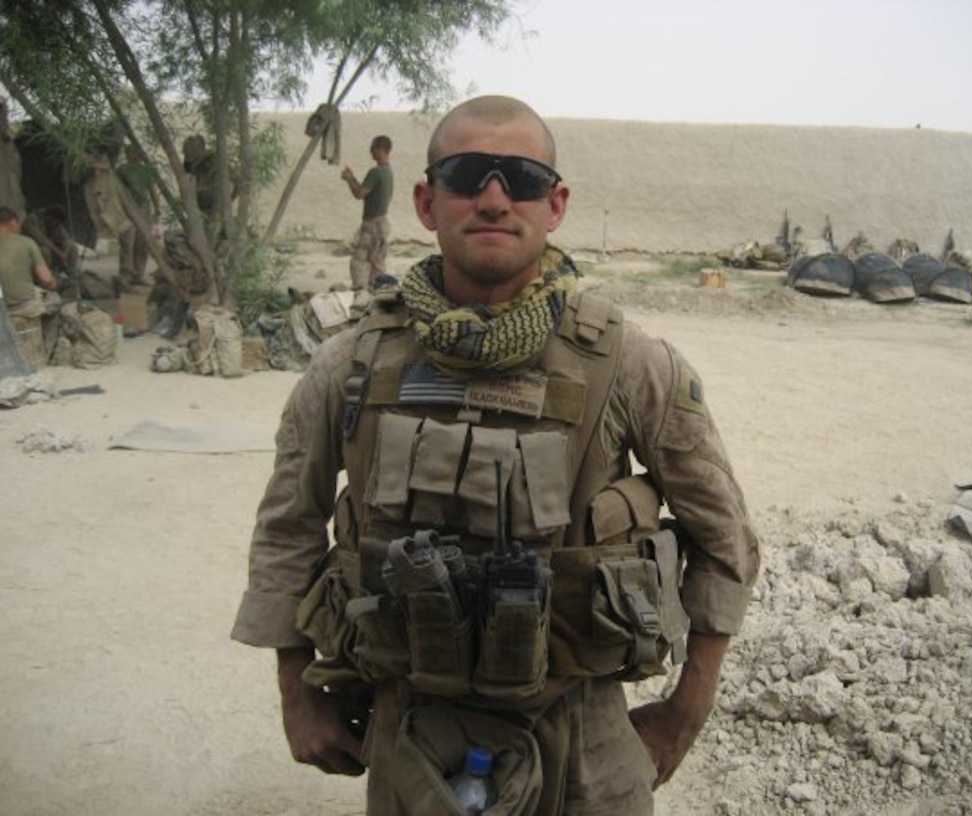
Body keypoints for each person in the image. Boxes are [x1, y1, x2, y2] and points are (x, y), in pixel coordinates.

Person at [232, 96, 760, 814]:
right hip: (408, 732)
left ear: (556, 204)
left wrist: (684, 712)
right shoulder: (349, 363)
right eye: (467, 174)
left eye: (521, 178)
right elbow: (288, 528)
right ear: (425, 200)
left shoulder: (629, 363)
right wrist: (297, 692)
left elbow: (725, 536)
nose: (492, 197)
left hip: (584, 739)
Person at [340, 135, 393, 291]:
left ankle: (360, 295)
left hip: (372, 225)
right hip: (382, 224)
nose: (370, 151)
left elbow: (359, 193)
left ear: (380, 149)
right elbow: (365, 190)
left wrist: (349, 179)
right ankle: (378, 297)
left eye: (372, 148)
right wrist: (353, 178)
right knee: (377, 266)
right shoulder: (388, 172)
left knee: (359, 262)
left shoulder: (376, 172)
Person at [0, 205, 59, 319]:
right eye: (18, 225)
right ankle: (48, 336)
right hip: (22, 306)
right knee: (55, 300)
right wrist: (54, 283)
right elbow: (46, 279)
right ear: (13, 223)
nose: (20, 229)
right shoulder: (26, 242)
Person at [116, 144, 160, 286]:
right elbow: (117, 192)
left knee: (143, 242)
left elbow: (152, 190)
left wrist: (157, 208)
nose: (133, 155)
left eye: (135, 152)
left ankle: (138, 273)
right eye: (129, 152)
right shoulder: (122, 170)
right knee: (127, 242)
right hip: (127, 209)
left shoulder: (146, 170)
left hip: (143, 209)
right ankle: (125, 274)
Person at [22, 206, 81, 280]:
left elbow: (66, 239)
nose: (56, 225)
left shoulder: (55, 224)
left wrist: (65, 253)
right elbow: (42, 240)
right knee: (44, 250)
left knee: (73, 247)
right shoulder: (32, 220)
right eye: (56, 222)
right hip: (30, 250)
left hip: (49, 250)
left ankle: (71, 273)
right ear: (49, 217)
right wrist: (59, 252)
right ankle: (46, 276)